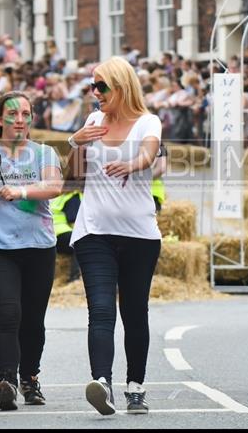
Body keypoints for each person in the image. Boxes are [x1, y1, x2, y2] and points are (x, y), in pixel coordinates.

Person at [66, 56, 162, 415]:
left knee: (135, 311)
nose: (95, 93)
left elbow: (150, 153)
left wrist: (133, 163)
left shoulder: (147, 121)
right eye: (92, 86)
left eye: (101, 86)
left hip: (139, 234)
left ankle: (135, 386)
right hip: (94, 232)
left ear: (121, 88)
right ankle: (101, 383)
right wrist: (74, 143)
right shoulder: (92, 122)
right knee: (101, 309)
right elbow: (71, 179)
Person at [0, 91, 63, 411]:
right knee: (7, 311)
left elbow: (54, 187)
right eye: (12, 114)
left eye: (25, 114)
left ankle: (30, 378)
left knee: (33, 319)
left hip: (39, 246)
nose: (19, 120)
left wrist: (22, 190)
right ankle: (7, 381)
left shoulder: (44, 153)